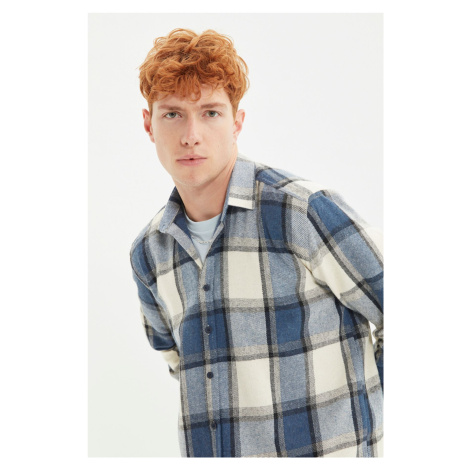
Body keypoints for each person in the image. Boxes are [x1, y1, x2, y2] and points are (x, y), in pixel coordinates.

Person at [130, 28, 383, 458]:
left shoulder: (303, 212)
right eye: (172, 114)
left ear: (237, 123)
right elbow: (181, 365)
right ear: (148, 124)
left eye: (210, 112)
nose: (191, 135)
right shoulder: (150, 253)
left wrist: (368, 408)